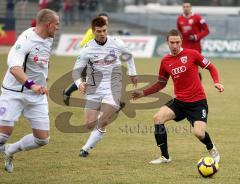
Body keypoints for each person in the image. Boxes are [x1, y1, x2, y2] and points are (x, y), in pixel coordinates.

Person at [131, 29, 223, 164]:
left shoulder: (192, 54)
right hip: (179, 101)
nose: (175, 45)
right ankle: (165, 157)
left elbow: (211, 67)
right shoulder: (165, 61)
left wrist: (217, 82)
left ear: (181, 41)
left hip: (197, 102)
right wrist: (143, 93)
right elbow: (161, 84)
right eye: (172, 42)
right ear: (167, 42)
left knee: (199, 133)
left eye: (177, 42)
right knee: (158, 118)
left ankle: (211, 148)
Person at [0, 9, 59, 172]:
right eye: (56, 24)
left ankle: (10, 150)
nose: (58, 28)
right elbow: (14, 68)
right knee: (2, 136)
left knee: (42, 139)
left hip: (37, 95)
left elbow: (44, 61)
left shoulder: (48, 38)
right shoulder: (25, 41)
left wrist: (43, 81)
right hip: (13, 93)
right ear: (48, 25)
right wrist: (32, 84)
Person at [73, 16, 137, 157]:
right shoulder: (87, 48)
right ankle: (114, 107)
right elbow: (76, 71)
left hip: (113, 85)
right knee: (89, 124)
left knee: (103, 121)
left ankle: (86, 149)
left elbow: (129, 56)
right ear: (93, 31)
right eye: (99, 31)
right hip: (94, 87)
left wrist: (133, 73)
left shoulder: (116, 43)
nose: (102, 34)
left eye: (104, 30)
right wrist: (79, 83)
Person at [177, 1, 210, 80]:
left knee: (194, 68)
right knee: (184, 67)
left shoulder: (198, 18)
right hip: (184, 47)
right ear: (182, 8)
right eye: (184, 7)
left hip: (195, 47)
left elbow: (206, 30)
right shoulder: (179, 19)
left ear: (191, 8)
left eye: (187, 6)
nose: (186, 8)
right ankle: (188, 85)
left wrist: (196, 36)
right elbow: (179, 33)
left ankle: (197, 84)